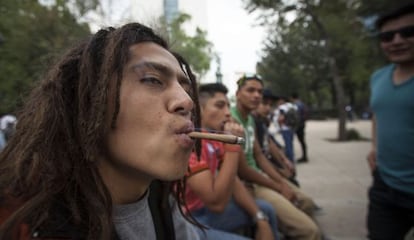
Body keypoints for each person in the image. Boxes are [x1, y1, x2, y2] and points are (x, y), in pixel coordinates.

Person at [0, 23, 202, 240]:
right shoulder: (31, 223)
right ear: (90, 102)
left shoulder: (161, 200)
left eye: (186, 89)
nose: (187, 101)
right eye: (153, 80)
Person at [231, 74, 321, 240]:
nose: (257, 95)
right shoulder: (231, 119)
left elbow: (259, 155)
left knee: (306, 202)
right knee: (309, 231)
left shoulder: (250, 118)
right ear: (237, 93)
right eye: (250, 90)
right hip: (250, 184)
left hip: (262, 177)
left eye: (259, 91)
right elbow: (243, 170)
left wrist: (280, 181)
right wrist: (278, 187)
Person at [185, 83, 279, 240]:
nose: (228, 113)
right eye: (220, 106)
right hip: (189, 219)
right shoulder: (191, 142)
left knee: (266, 210)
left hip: (206, 212)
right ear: (198, 110)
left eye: (228, 106)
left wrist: (260, 218)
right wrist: (233, 147)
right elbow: (217, 204)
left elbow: (233, 181)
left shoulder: (214, 139)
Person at [366, 3, 414, 240]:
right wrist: (375, 146)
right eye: (387, 36)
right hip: (385, 187)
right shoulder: (378, 78)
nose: (396, 41)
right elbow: (377, 113)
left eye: (408, 33)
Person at [253, 89, 299, 187]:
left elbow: (270, 143)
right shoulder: (252, 124)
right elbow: (260, 157)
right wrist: (281, 172)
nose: (268, 108)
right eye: (264, 104)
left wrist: (284, 161)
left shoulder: (262, 121)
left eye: (270, 105)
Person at [272, 97, 298, 164]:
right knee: (290, 144)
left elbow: (281, 118)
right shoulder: (291, 106)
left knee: (288, 145)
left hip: (285, 128)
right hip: (291, 127)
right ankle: (292, 158)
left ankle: (290, 160)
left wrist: (280, 126)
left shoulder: (282, 107)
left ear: (281, 100)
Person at [290, 93, 309, 163]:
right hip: (302, 124)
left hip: (298, 125)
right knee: (302, 141)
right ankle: (305, 156)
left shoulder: (296, 105)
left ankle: (304, 157)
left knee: (301, 140)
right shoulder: (302, 104)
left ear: (292, 98)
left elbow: (296, 116)